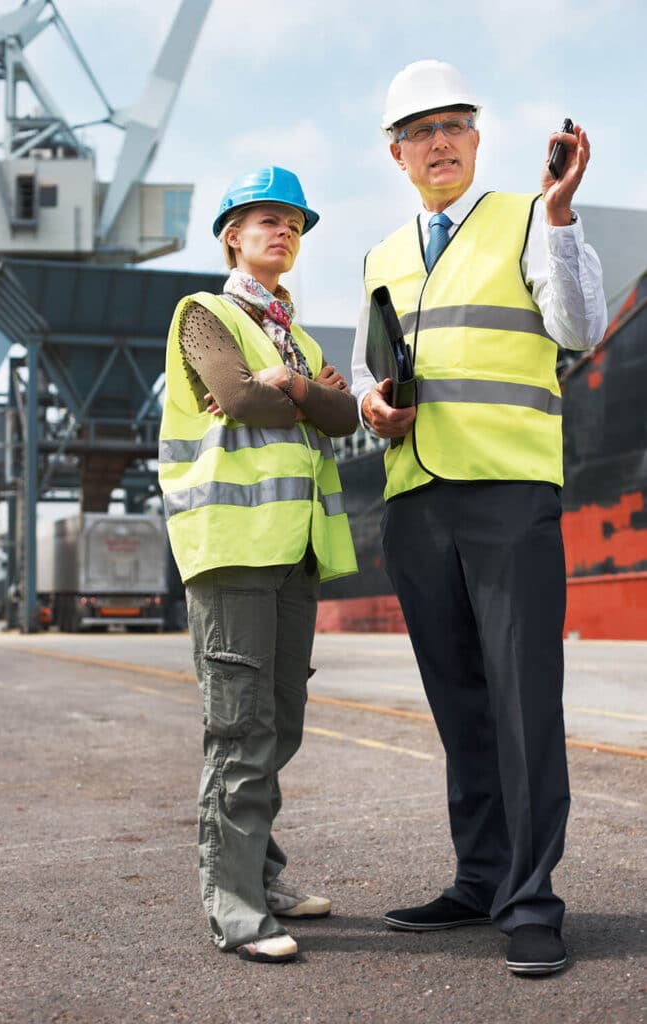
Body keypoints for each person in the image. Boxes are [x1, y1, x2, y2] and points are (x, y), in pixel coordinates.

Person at [351, 61, 607, 975]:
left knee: (522, 700)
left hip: (506, 494)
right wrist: (370, 408)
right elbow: (363, 375)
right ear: (396, 153)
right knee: (459, 701)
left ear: (476, 135)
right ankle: (481, 877)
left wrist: (565, 214)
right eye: (420, 131)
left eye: (454, 123)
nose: (440, 142)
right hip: (415, 501)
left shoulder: (531, 218)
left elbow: (576, 328)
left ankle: (531, 901)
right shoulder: (381, 254)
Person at [159, 166, 358, 963]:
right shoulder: (203, 313)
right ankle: (235, 908)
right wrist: (291, 390)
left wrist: (293, 381)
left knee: (279, 724)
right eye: (265, 219)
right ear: (231, 235)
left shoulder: (298, 338)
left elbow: (343, 418)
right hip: (232, 548)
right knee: (239, 730)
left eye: (294, 224)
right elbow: (237, 399)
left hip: (295, 550)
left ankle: (260, 871)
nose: (283, 232)